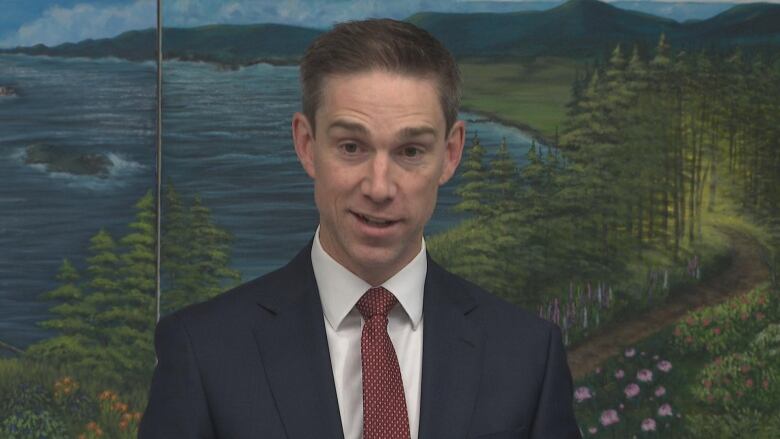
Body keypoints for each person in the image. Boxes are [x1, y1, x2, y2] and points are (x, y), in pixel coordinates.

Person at [139, 18, 581, 439]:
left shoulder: (527, 353)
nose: (379, 187)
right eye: (352, 146)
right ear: (307, 145)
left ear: (450, 154)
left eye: (410, 151)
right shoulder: (203, 351)